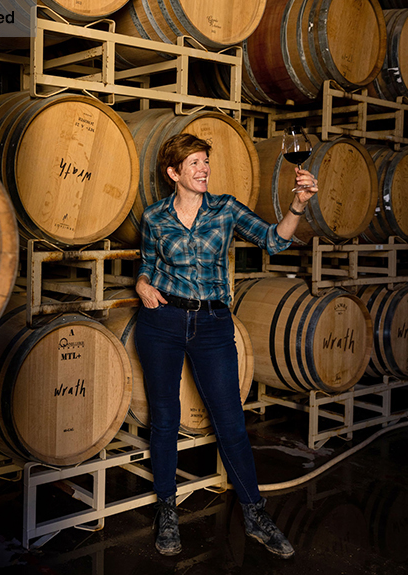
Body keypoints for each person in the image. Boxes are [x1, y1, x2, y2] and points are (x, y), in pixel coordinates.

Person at [134, 133, 318, 559]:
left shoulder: (226, 208)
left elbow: (274, 240)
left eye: (205, 162)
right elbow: (146, 263)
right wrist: (143, 284)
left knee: (231, 422)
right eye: (194, 163)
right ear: (173, 173)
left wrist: (298, 206)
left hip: (213, 322)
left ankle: (255, 514)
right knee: (164, 420)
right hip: (161, 321)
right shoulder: (155, 216)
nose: (203, 169)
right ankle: (167, 510)